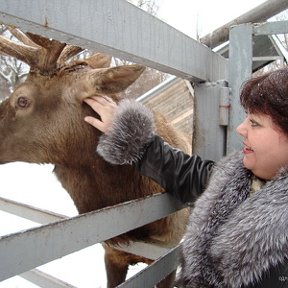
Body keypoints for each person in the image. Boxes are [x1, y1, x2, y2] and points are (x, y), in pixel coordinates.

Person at [84, 68, 288, 288]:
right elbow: (185, 173)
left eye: (255, 123)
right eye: (246, 118)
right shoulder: (240, 178)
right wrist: (129, 134)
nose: (241, 128)